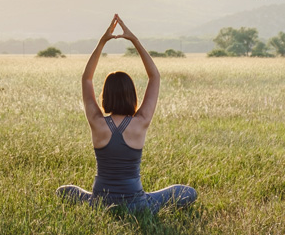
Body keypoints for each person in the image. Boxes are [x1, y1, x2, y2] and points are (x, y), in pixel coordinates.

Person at [56, 14, 197, 214]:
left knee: (64, 191)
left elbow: (86, 79)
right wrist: (133, 40)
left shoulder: (96, 122)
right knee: (188, 192)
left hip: (100, 203)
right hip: (137, 205)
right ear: (132, 95)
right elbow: (154, 76)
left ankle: (99, 203)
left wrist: (102, 41)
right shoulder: (141, 121)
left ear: (105, 96)